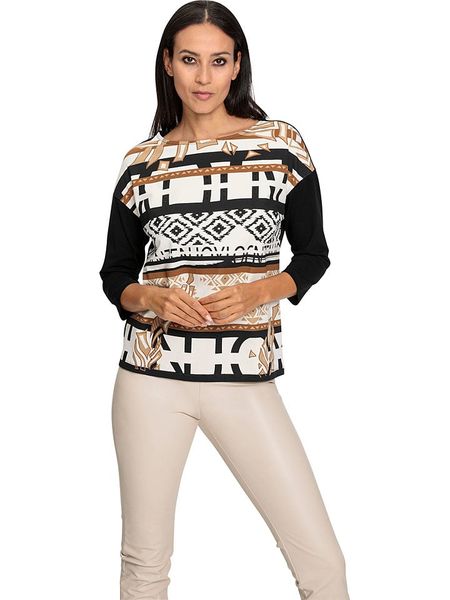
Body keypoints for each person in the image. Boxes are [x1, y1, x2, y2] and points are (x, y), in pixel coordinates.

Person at [99, 2, 351, 599]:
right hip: (150, 377)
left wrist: (260, 291)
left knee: (322, 565)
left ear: (238, 66)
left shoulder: (279, 144)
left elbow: (313, 257)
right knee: (144, 563)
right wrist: (149, 297)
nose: (203, 77)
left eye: (218, 61)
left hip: (243, 377)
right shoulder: (141, 164)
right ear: (168, 64)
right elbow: (116, 275)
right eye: (190, 60)